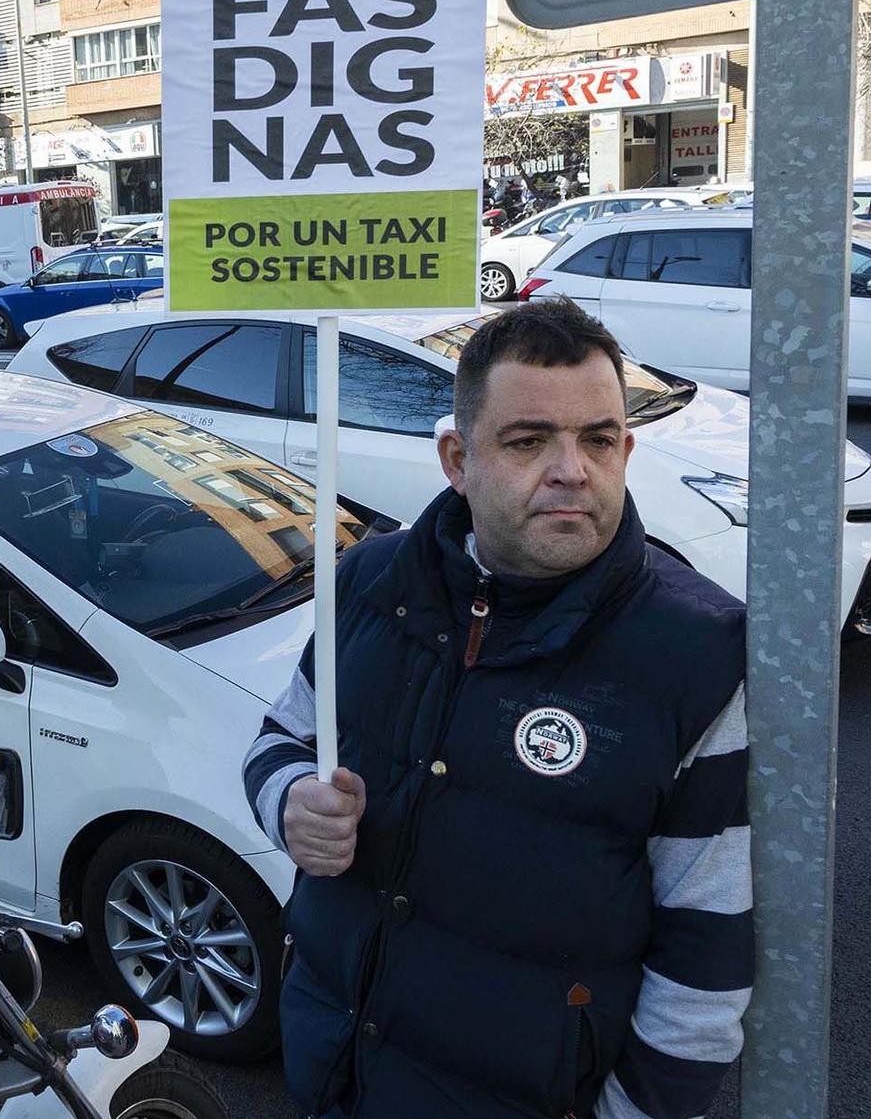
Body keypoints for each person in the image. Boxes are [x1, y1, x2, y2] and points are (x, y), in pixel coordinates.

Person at [243, 300, 751, 1119]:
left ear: (625, 448)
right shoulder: (368, 582)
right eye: (527, 441)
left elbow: (707, 955)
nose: (571, 469)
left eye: (597, 439)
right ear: (457, 457)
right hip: (334, 1072)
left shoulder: (696, 652)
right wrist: (290, 802)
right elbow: (279, 738)